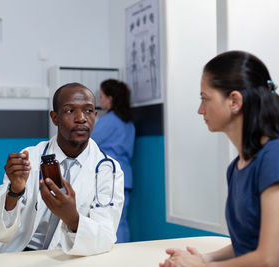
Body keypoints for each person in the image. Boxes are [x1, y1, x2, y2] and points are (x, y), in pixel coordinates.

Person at [160, 51, 279, 267]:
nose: (200, 110)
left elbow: (270, 257)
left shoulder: (274, 158)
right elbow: (248, 243)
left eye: (205, 99)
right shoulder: (236, 167)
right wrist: (202, 258)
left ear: (234, 101)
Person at [0, 82, 124, 256]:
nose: (81, 118)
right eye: (70, 111)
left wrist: (72, 219)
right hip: (22, 256)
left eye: (88, 110)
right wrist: (14, 192)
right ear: (55, 117)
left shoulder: (108, 170)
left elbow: (105, 236)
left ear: (95, 115)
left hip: (71, 257)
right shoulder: (29, 158)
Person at [91, 79, 135, 243]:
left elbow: (89, 142)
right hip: (126, 176)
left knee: (110, 221)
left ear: (110, 98)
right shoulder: (128, 122)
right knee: (122, 220)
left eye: (101, 96)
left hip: (110, 175)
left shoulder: (109, 120)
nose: (99, 100)